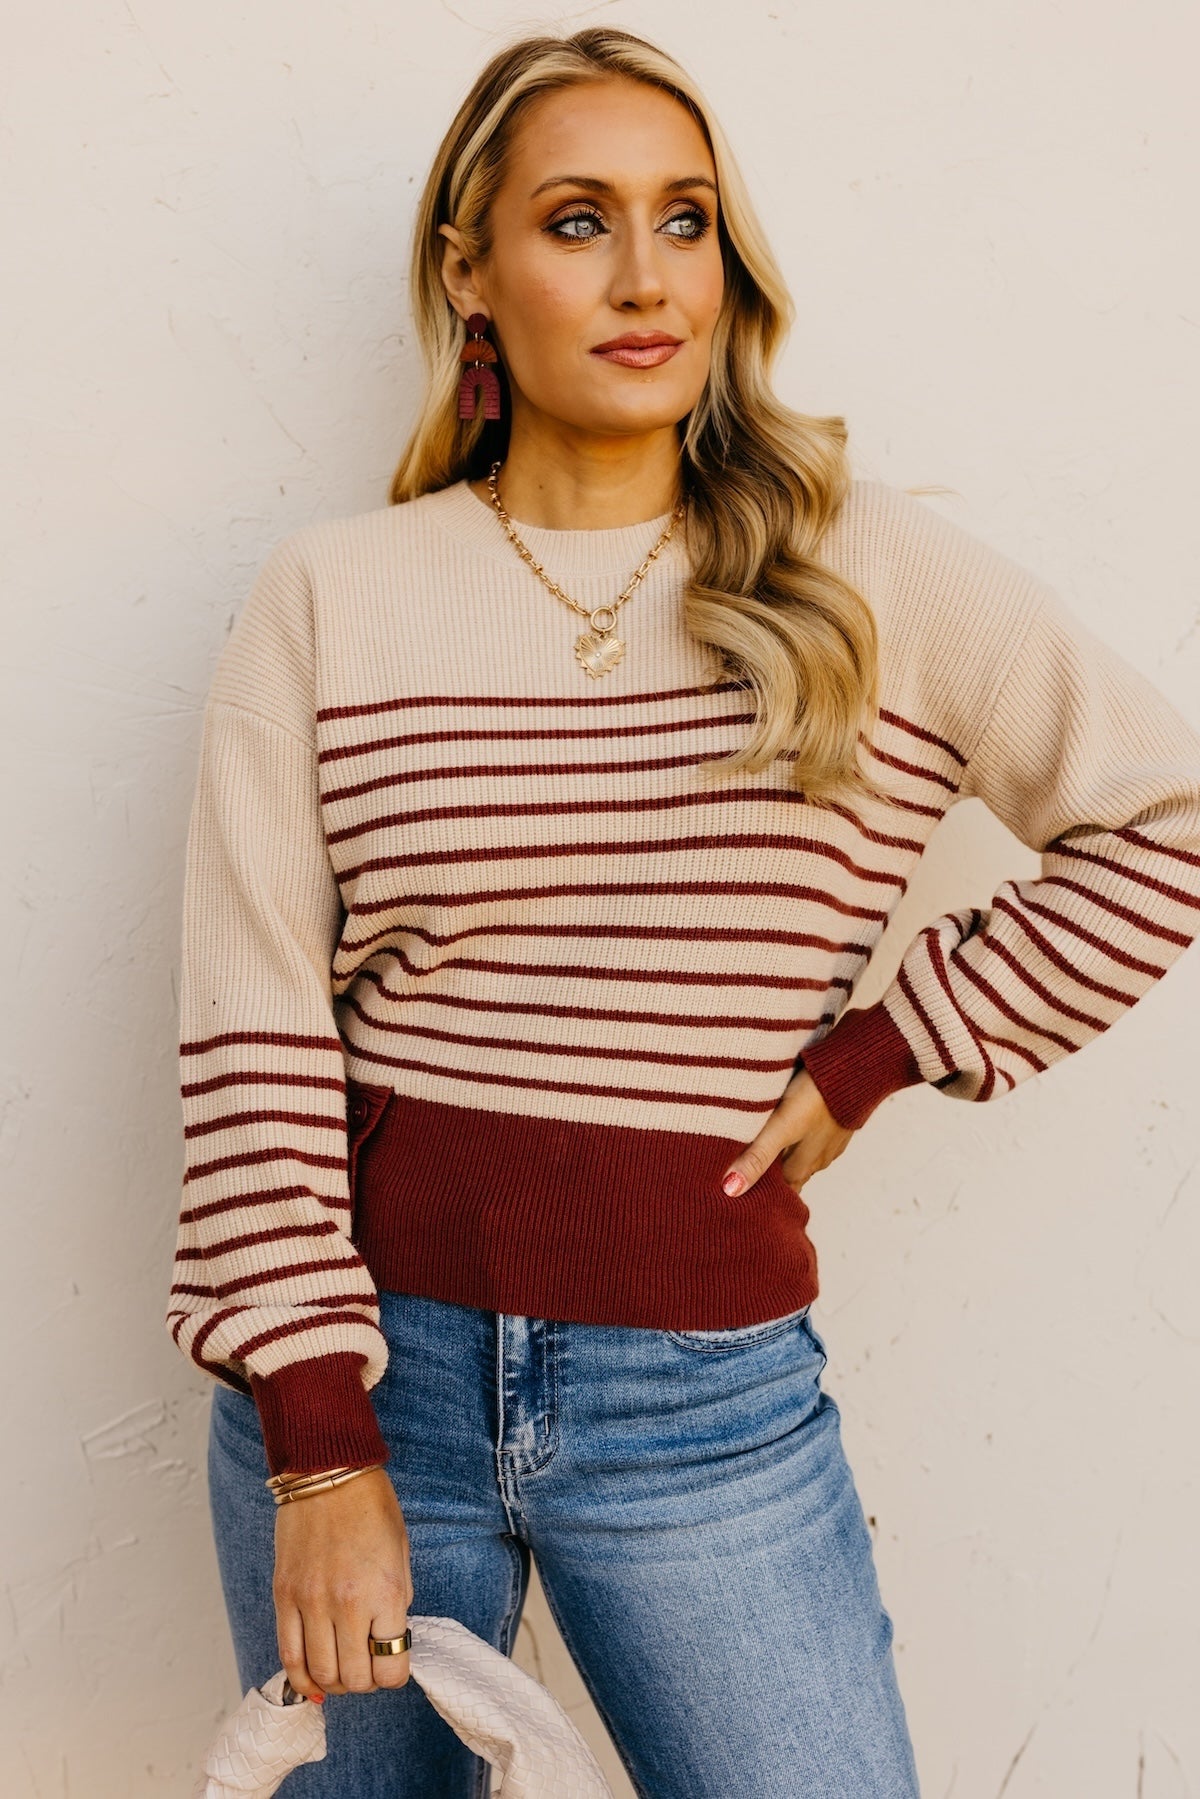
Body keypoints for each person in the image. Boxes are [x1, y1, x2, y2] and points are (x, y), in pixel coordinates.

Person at [165, 25, 1200, 1799]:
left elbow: (1164, 823)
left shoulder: (868, 570)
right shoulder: (335, 594)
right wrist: (319, 1447)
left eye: (686, 219)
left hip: (700, 1400)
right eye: (578, 222)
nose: (646, 278)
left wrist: (892, 1048)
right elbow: (252, 1026)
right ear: (469, 271)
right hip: (369, 1377)